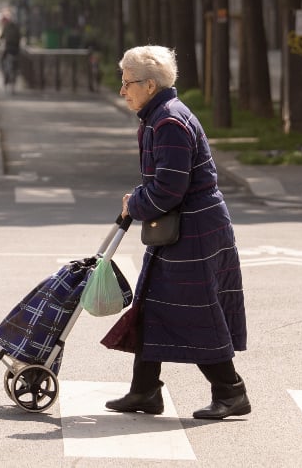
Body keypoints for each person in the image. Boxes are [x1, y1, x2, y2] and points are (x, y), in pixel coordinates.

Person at [101, 45, 250, 420]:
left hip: (193, 229)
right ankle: (145, 390)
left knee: (196, 311)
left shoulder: (168, 122)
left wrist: (135, 203)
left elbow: (169, 189)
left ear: (149, 85)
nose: (123, 91)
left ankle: (231, 392)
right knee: (152, 306)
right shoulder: (159, 116)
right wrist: (138, 200)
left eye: (127, 83)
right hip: (179, 228)